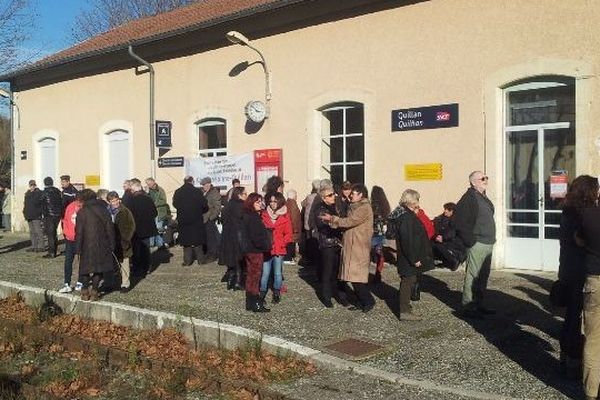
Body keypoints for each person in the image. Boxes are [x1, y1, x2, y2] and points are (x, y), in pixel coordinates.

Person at [557, 175, 599, 378]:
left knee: (571, 316)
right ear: (589, 191)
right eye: (596, 189)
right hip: (579, 269)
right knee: (575, 317)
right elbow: (581, 242)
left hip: (567, 266)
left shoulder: (568, 209)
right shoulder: (581, 213)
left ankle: (567, 356)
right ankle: (573, 360)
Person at [321, 183, 375, 312]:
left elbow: (350, 221)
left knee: (357, 278)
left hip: (358, 246)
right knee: (352, 277)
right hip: (352, 245)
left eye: (353, 194)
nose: (350, 196)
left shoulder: (364, 208)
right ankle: (361, 302)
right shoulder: (354, 206)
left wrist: (332, 219)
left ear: (361, 194)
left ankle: (368, 301)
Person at [386, 189, 434, 321]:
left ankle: (405, 308)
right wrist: (415, 259)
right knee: (408, 281)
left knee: (409, 279)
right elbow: (408, 240)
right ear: (411, 201)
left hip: (407, 255)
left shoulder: (405, 213)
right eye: (417, 200)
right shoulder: (406, 217)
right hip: (408, 256)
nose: (418, 203)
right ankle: (405, 311)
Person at [455, 170, 496, 319]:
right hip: (477, 243)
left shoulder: (482, 197)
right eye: (482, 178)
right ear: (473, 182)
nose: (486, 180)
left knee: (483, 276)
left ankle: (479, 304)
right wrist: (471, 241)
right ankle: (468, 306)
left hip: (488, 242)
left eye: (486, 177)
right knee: (473, 276)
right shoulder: (469, 198)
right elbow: (458, 221)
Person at [578, 191, 600, 400]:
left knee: (593, 339)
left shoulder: (588, 215)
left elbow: (579, 239)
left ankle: (591, 392)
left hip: (594, 279)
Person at [75, 189, 115, 301]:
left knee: (85, 269)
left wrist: (77, 248)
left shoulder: (81, 212)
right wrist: (112, 244)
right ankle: (95, 291)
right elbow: (110, 229)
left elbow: (79, 232)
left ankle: (84, 291)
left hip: (86, 245)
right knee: (99, 268)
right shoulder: (104, 210)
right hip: (102, 244)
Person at [315, 186, 346, 308]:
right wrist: (337, 224)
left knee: (340, 271)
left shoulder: (336, 206)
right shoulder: (320, 209)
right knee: (327, 271)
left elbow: (342, 220)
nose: (333, 196)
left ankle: (342, 295)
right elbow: (324, 226)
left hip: (338, 242)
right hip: (327, 243)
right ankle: (327, 297)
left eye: (333, 194)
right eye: (330, 195)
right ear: (323, 198)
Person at [241, 193, 271, 312]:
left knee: (251, 276)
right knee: (255, 276)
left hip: (249, 249)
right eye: (257, 202)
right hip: (255, 251)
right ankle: (256, 303)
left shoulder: (248, 215)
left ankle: (250, 302)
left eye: (261, 201)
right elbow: (256, 236)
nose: (260, 204)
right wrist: (265, 246)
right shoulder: (253, 217)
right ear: (251, 203)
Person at [260, 192, 292, 304]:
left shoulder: (285, 215)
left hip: (279, 249)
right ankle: (262, 294)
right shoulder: (264, 214)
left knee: (278, 273)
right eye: (271, 201)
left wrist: (282, 243)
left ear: (280, 201)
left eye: (275, 201)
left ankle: (276, 293)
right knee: (265, 273)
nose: (272, 203)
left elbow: (289, 234)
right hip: (267, 249)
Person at [172, 176, 209, 266]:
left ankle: (187, 261)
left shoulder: (178, 191)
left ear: (184, 181)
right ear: (192, 181)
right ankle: (201, 260)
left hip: (183, 219)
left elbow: (175, 204)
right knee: (198, 241)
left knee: (186, 241)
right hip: (196, 218)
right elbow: (204, 205)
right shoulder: (197, 191)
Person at [218, 186, 247, 290]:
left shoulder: (228, 205)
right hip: (238, 236)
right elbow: (245, 221)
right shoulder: (242, 206)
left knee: (231, 259)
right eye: (245, 194)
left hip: (227, 235)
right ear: (239, 195)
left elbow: (223, 219)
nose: (246, 196)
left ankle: (230, 281)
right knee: (239, 260)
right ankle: (238, 282)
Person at [107, 191, 136, 293]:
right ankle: (113, 282)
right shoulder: (106, 211)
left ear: (119, 199)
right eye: (112, 201)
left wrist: (127, 238)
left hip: (123, 240)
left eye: (116, 200)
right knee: (112, 263)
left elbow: (132, 226)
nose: (115, 203)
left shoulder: (125, 211)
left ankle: (125, 284)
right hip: (111, 241)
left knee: (125, 262)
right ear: (109, 202)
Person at [127, 180, 158, 276]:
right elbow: (155, 213)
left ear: (133, 190)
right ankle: (146, 268)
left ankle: (137, 268)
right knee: (146, 249)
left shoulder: (131, 201)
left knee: (136, 249)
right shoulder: (148, 199)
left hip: (136, 229)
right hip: (147, 228)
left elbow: (129, 215)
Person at [58, 191, 83, 293]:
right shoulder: (70, 207)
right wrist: (67, 234)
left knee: (81, 261)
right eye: (77, 201)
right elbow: (66, 221)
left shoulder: (84, 208)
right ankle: (67, 283)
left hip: (81, 239)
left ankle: (80, 282)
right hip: (70, 239)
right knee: (68, 261)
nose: (79, 203)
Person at [432, 202, 466, 271]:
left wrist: (443, 237)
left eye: (448, 210)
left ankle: (454, 262)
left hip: (454, 244)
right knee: (433, 245)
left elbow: (453, 232)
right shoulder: (440, 219)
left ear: (452, 211)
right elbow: (435, 228)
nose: (445, 211)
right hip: (442, 241)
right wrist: (437, 236)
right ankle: (446, 262)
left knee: (441, 247)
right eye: (445, 209)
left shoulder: (457, 221)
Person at [370, 185, 391, 284]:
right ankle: (378, 272)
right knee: (379, 253)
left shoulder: (373, 206)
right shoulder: (385, 206)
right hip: (381, 232)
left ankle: (370, 274)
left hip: (373, 232)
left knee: (369, 253)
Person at [40, 177, 63, 258]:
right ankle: (54, 250)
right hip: (57, 215)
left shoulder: (44, 192)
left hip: (49, 215)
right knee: (54, 233)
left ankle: (51, 252)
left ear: (45, 183)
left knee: (50, 234)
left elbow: (39, 202)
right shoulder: (58, 191)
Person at [300, 179, 321, 267]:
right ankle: (314, 259)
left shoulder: (309, 196)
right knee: (314, 242)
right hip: (314, 222)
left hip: (308, 222)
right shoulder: (319, 197)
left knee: (309, 241)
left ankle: (310, 259)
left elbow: (302, 203)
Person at [200, 177, 221, 263]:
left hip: (209, 219)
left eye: (204, 185)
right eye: (202, 185)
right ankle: (208, 253)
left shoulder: (214, 193)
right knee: (207, 238)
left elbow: (217, 207)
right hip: (203, 219)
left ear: (208, 184)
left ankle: (213, 254)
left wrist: (211, 218)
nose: (203, 186)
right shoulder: (203, 193)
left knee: (212, 238)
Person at [146, 177, 170, 250]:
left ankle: (161, 244)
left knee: (159, 228)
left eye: (149, 184)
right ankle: (156, 244)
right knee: (154, 229)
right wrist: (146, 193)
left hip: (160, 212)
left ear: (153, 182)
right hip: (151, 212)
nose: (148, 185)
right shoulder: (148, 191)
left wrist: (155, 204)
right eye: (147, 184)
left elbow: (164, 201)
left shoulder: (160, 190)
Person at [23, 180, 45, 252]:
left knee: (38, 231)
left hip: (36, 215)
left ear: (35, 185)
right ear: (29, 186)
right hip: (29, 215)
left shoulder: (39, 193)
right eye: (31, 185)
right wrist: (24, 212)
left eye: (33, 185)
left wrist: (40, 213)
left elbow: (41, 204)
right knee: (32, 231)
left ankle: (41, 246)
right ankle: (34, 246)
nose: (32, 186)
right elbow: (25, 204)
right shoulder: (27, 193)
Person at [284, 189, 302, 265]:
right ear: (294, 196)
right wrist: (295, 228)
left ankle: (288, 258)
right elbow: (294, 217)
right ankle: (288, 258)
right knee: (291, 242)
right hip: (292, 227)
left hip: (288, 226)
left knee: (289, 242)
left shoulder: (287, 202)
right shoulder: (293, 203)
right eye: (296, 195)